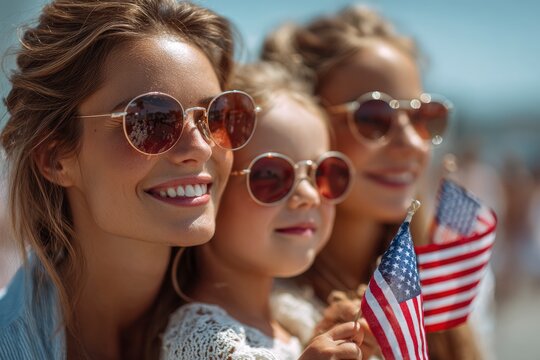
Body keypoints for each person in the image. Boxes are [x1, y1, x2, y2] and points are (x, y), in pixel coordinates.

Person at [0, 1, 259, 359]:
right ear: (55, 158)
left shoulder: (271, 324)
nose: (199, 148)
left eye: (216, 116)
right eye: (151, 119)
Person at [263, 5, 484, 359]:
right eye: (373, 117)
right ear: (306, 121)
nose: (412, 143)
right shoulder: (265, 316)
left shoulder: (446, 282)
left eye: (423, 116)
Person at [160, 61, 364, 360]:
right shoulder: (203, 340)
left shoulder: (293, 313)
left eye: (323, 173)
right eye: (270, 175)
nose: (308, 195)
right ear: (211, 187)